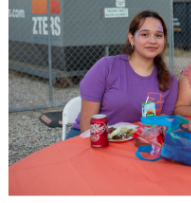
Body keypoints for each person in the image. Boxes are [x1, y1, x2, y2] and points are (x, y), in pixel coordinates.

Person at [66, 10, 179, 138]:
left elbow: (160, 128)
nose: (153, 40)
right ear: (131, 39)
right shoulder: (106, 66)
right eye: (145, 34)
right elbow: (86, 126)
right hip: (92, 138)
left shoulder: (169, 80)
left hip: (134, 142)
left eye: (158, 35)